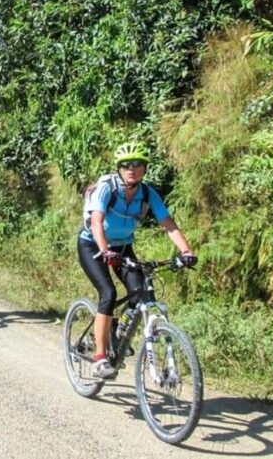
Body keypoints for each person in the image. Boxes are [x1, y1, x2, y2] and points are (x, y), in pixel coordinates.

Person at [78, 142, 196, 379]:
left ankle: (118, 331)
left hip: (123, 247)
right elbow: (96, 222)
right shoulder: (107, 189)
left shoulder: (147, 194)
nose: (132, 169)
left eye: (137, 165)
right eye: (126, 165)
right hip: (93, 245)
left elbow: (168, 224)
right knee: (108, 294)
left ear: (144, 168)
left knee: (140, 292)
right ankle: (100, 357)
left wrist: (186, 251)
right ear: (119, 168)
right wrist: (105, 250)